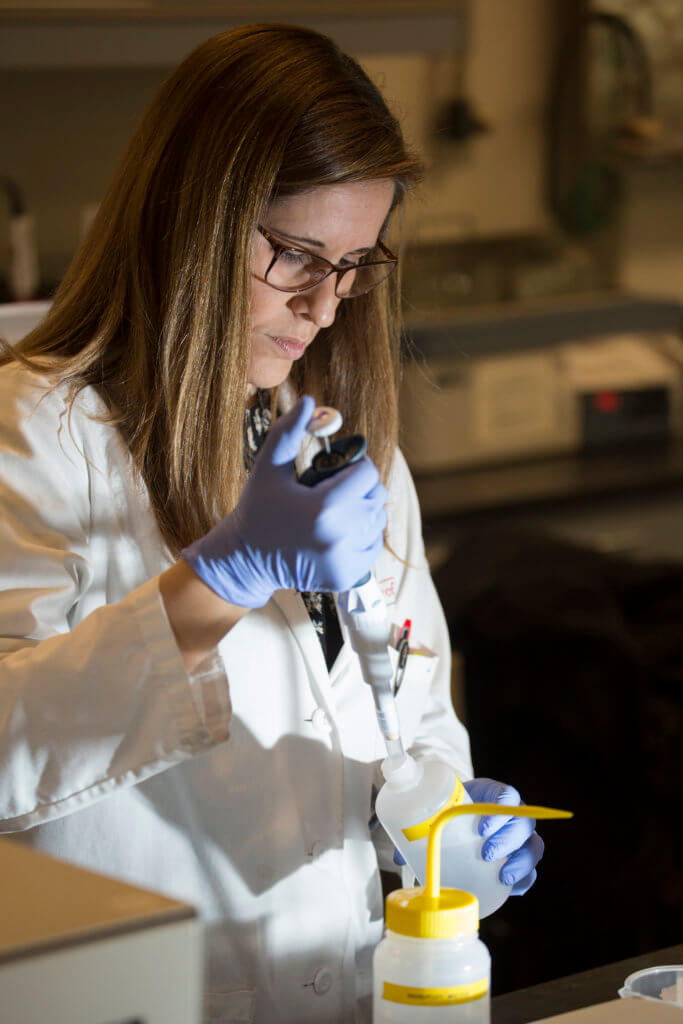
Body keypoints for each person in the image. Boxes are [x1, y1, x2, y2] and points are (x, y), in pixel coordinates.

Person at [0, 23, 544, 1024]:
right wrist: (220, 579)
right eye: (294, 254)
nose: (323, 305)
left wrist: (440, 834)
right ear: (190, 219)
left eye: (350, 266)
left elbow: (408, 715)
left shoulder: (351, 450)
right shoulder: (31, 433)